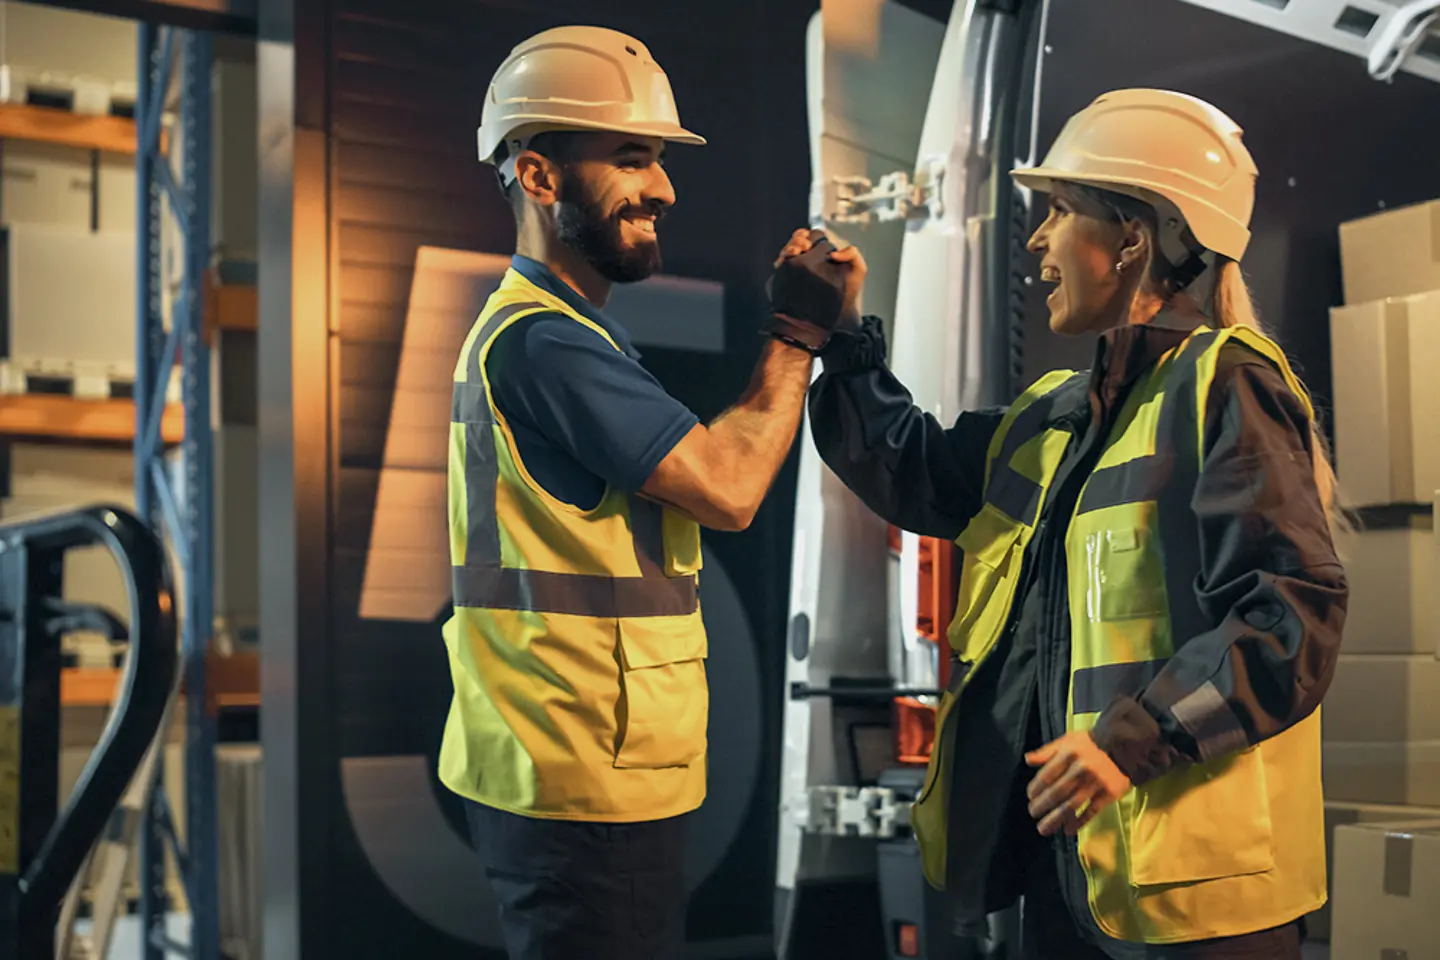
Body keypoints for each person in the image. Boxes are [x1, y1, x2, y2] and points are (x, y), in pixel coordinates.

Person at [794, 89, 1349, 958]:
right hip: (1080, 878)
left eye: (1058, 212)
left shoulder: (1227, 383)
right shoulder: (1054, 416)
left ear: (1134, 237)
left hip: (1197, 911)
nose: (1036, 242)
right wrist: (842, 336)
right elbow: (911, 467)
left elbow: (1291, 614)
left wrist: (1133, 741)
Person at [440, 25, 858, 960]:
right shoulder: (547, 344)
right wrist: (797, 333)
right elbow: (731, 484)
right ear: (540, 177)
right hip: (581, 781)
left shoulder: (551, 334)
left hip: (561, 769)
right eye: (632, 158)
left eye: (660, 161)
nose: (663, 188)